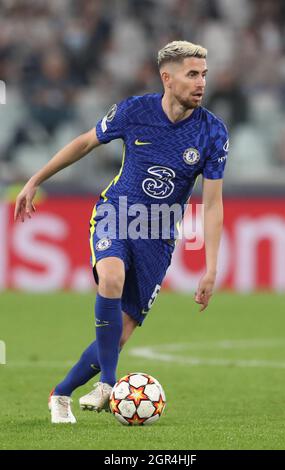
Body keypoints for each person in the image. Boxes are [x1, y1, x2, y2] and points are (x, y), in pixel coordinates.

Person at [14, 41, 229, 424]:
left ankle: (60, 393)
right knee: (110, 276)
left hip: (159, 236)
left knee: (120, 334)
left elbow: (212, 205)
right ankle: (110, 385)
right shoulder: (135, 111)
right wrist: (35, 179)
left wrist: (211, 268)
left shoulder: (212, 132)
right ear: (168, 78)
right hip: (117, 212)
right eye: (192, 74)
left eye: (204, 75)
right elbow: (85, 142)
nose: (201, 83)